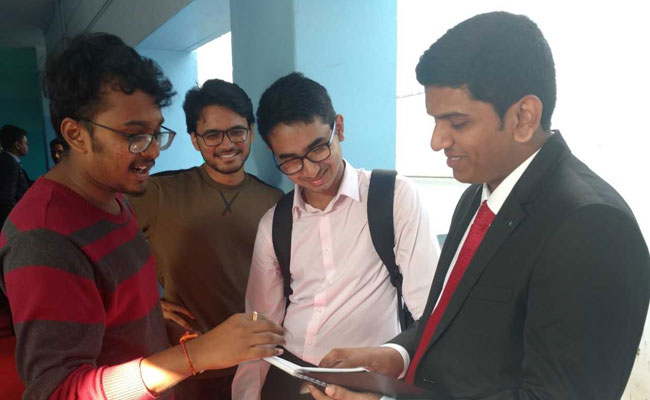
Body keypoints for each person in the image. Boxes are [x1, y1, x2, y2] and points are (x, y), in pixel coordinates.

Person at [308, 11, 650, 400]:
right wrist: (394, 356)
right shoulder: (478, 195)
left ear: (524, 117)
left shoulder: (591, 225)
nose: (437, 141)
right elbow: (448, 321)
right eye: (435, 121)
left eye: (457, 123)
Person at [0, 32, 284, 400]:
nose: (152, 151)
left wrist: (155, 320)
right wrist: (197, 356)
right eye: (134, 135)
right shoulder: (44, 237)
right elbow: (57, 392)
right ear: (76, 134)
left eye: (155, 133)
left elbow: (117, 310)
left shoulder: (115, 199)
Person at [232, 72, 439, 399]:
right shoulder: (275, 223)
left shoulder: (392, 198)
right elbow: (260, 328)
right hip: (290, 376)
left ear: (338, 128)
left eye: (318, 149)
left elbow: (430, 309)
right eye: (290, 161)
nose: (311, 170)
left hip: (365, 382)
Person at [128, 78, 283, 399]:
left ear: (251, 131)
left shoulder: (274, 200)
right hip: (188, 365)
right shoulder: (159, 193)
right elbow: (98, 250)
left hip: (260, 361)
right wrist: (144, 302)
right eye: (212, 135)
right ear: (195, 140)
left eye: (237, 131)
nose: (227, 144)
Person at [0, 124, 31, 227]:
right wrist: (19, 224)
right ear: (17, 145)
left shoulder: (7, 160)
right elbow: (7, 200)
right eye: (26, 143)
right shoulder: (10, 164)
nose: (27, 145)